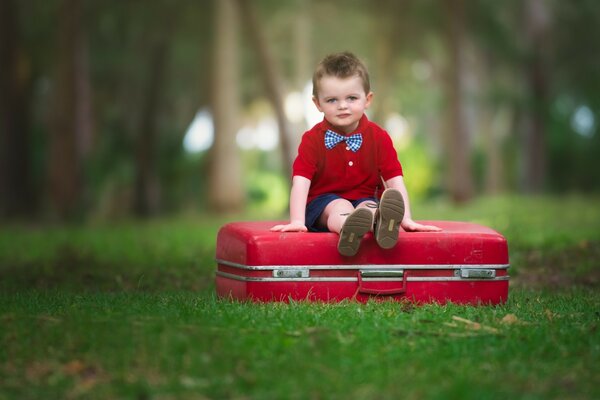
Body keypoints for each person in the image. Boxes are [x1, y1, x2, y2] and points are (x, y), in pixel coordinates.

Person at [271, 52, 440, 256]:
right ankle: (348, 227)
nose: (343, 106)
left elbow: (395, 182)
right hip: (323, 204)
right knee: (338, 206)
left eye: (351, 98)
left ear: (367, 99)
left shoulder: (379, 137)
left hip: (365, 198)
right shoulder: (312, 139)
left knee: (369, 207)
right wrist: (297, 221)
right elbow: (301, 182)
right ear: (318, 104)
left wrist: (406, 219)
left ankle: (379, 223)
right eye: (332, 100)